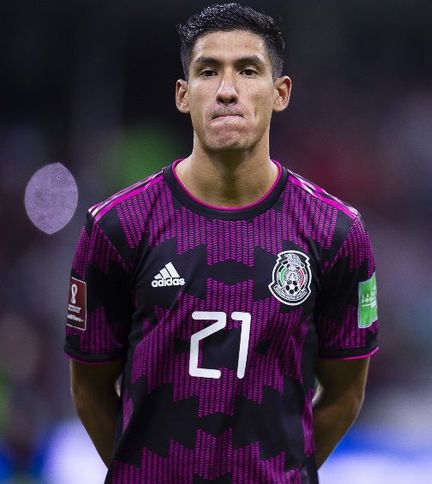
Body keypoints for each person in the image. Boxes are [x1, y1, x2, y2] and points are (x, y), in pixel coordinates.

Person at [65, 4, 379, 482]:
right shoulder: (116, 227)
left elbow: (346, 392)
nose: (227, 90)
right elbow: (89, 388)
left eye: (248, 71)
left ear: (280, 93)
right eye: (208, 71)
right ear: (183, 94)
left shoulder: (335, 232)